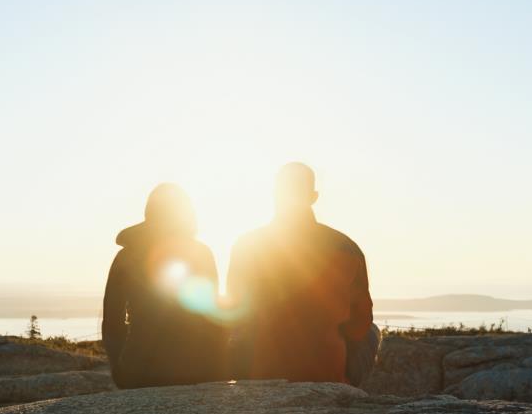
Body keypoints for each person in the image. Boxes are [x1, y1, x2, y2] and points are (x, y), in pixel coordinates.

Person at [227, 163, 379, 385]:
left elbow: (234, 312)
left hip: (261, 371)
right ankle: (347, 390)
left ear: (276, 194)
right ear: (313, 197)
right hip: (326, 371)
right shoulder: (347, 247)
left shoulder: (247, 245)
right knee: (372, 332)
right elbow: (360, 322)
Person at [102, 183, 229, 389]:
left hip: (140, 371)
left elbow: (111, 323)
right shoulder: (201, 254)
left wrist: (121, 369)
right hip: (196, 370)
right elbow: (214, 320)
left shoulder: (126, 257)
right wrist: (217, 372)